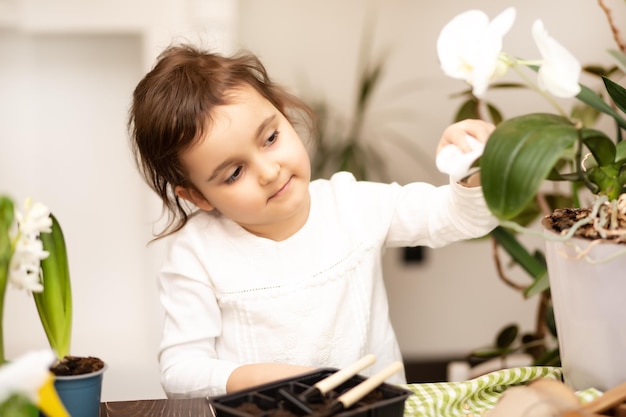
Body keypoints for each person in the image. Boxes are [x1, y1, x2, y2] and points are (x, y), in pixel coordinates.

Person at [128, 43, 498, 398]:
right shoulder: (196, 254)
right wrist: (263, 378)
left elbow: (459, 219)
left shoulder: (351, 204)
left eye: (270, 137)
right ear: (197, 196)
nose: (269, 172)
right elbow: (180, 372)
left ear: (285, 116)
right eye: (234, 173)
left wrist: (472, 170)